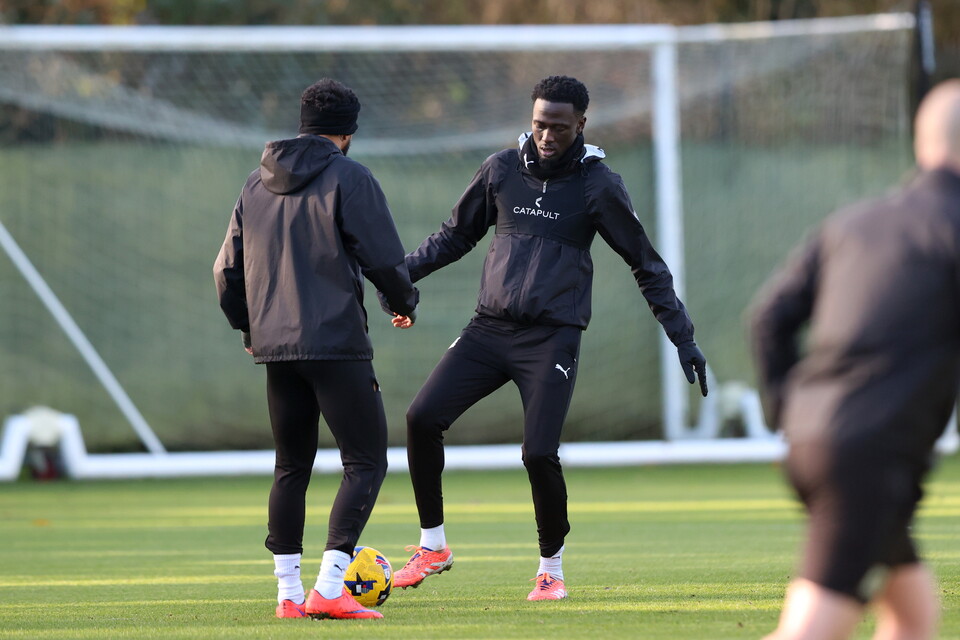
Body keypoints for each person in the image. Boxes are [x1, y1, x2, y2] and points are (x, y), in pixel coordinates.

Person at [382, 75, 708, 601]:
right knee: (421, 418)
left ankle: (551, 569)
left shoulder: (599, 185)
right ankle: (432, 546)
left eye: (558, 126)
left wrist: (682, 336)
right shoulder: (501, 170)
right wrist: (399, 280)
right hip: (488, 330)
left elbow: (646, 265)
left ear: (581, 124)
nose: (546, 135)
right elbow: (455, 235)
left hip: (551, 340)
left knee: (538, 453)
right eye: (539, 124)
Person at [748, 79, 960, 640]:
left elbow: (767, 319)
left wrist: (788, 415)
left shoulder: (853, 222)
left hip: (817, 440)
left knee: (913, 618)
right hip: (869, 458)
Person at [213, 78, 418, 620]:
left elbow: (225, 272)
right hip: (335, 343)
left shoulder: (254, 185)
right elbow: (383, 257)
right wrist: (403, 300)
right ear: (348, 133)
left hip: (276, 349)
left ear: (302, 122)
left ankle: (287, 595)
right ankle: (330, 587)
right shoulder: (349, 177)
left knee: (291, 466)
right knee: (366, 460)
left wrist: (250, 329)